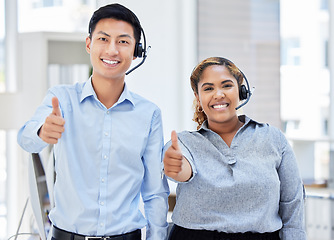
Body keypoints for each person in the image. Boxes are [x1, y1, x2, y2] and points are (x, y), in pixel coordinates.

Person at [17, 3, 169, 240]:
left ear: (136, 51)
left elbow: (154, 192)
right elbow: (26, 139)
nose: (112, 50)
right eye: (103, 39)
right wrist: (42, 132)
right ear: (89, 44)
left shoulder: (149, 114)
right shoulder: (62, 99)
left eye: (123, 41)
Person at [163, 57, 306, 240]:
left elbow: (293, 204)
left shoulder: (273, 138)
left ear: (241, 91)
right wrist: (176, 167)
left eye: (226, 85)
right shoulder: (183, 142)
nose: (218, 94)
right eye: (208, 88)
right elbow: (183, 170)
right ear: (198, 98)